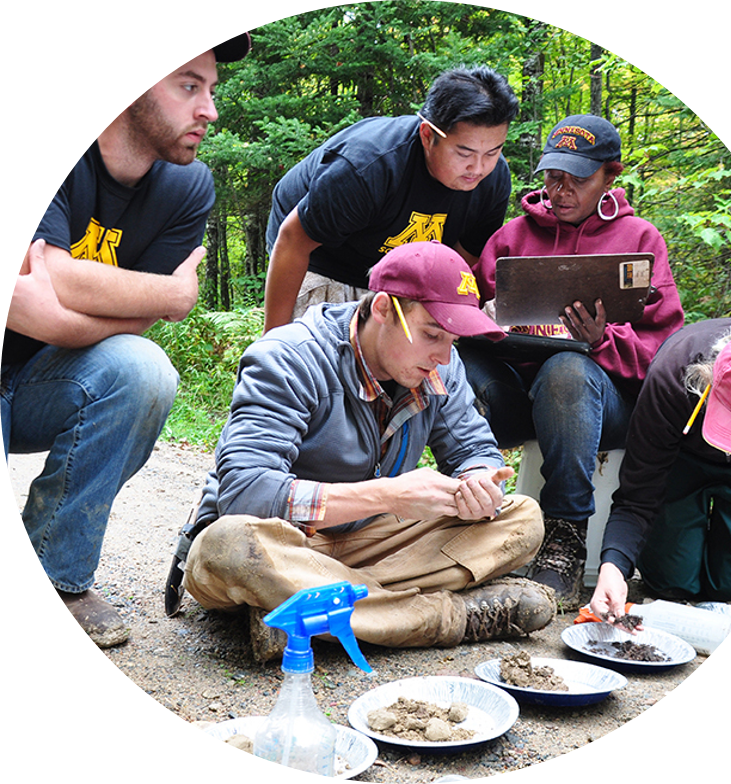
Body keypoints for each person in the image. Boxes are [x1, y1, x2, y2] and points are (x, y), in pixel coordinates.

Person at [170, 241, 554, 662]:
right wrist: (388, 496)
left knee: (522, 519)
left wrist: (479, 481)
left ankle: (301, 604)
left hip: (366, 544)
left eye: (453, 340)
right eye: (432, 334)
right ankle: (449, 617)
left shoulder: (441, 367)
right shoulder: (288, 357)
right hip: (284, 540)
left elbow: (474, 448)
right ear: (384, 308)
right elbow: (246, 493)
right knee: (227, 547)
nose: (444, 356)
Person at [4, 33, 252, 648]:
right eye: (188, 86)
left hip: (42, 381)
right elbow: (59, 274)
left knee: (143, 370)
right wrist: (169, 293)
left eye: (211, 88)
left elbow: (122, 315)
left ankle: (58, 575)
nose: (209, 110)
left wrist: (54, 317)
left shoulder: (187, 186)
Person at [459, 114, 685, 609]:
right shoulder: (512, 237)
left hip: (602, 405)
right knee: (454, 359)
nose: (560, 191)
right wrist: (482, 319)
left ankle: (565, 533)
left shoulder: (640, 240)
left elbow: (663, 352)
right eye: (552, 177)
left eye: (577, 180)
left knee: (567, 368)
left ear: (609, 175)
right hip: (521, 395)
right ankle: (467, 509)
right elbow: (464, 309)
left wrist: (602, 341)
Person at [262, 65, 519, 331]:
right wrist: (272, 341)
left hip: (396, 266)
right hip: (321, 253)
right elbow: (292, 242)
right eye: (464, 154)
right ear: (427, 135)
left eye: (492, 152)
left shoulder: (494, 180)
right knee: (321, 347)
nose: (478, 168)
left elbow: (459, 261)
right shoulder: (367, 168)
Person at [591, 319, 731, 620]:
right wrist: (613, 567)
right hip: (685, 454)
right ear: (708, 379)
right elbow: (637, 495)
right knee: (670, 581)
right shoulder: (672, 375)